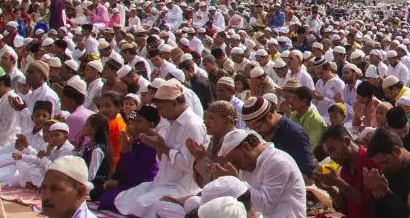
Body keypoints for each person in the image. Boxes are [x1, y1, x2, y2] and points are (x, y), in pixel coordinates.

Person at [112, 80, 207, 218]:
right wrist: (158, 146)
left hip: (181, 187)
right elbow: (163, 159)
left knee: (141, 204)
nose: (161, 113)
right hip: (163, 182)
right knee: (123, 197)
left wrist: (161, 146)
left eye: (162, 108)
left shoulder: (192, 125)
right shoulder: (170, 123)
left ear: (174, 103)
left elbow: (188, 164)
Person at [217, 129, 305, 218]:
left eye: (236, 161)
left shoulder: (277, 162)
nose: (238, 167)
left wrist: (237, 183)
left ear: (247, 147)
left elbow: (263, 205)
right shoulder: (249, 164)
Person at [97, 107, 160, 212]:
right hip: (129, 184)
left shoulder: (152, 145)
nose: (134, 125)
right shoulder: (137, 141)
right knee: (102, 194)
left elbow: (138, 172)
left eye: (139, 122)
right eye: (133, 121)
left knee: (108, 199)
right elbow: (124, 169)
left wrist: (126, 149)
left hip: (144, 185)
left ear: (151, 125)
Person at [365, 127, 410, 218]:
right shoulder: (390, 168)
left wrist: (387, 193)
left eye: (384, 162)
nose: (382, 167)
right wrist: (377, 194)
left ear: (396, 151)